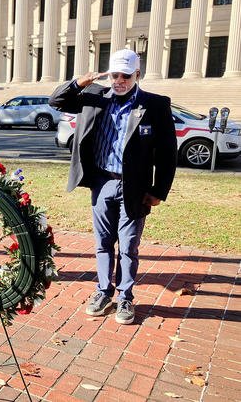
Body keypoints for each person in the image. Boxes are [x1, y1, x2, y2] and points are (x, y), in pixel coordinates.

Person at [49, 49, 177, 325]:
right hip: (102, 182)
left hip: (135, 187)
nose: (119, 80)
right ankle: (103, 291)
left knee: (129, 245)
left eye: (126, 76)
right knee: (103, 243)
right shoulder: (94, 97)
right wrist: (79, 82)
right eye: (115, 75)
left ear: (137, 75)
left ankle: (125, 297)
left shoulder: (154, 105)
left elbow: (168, 152)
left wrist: (158, 191)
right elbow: (56, 100)